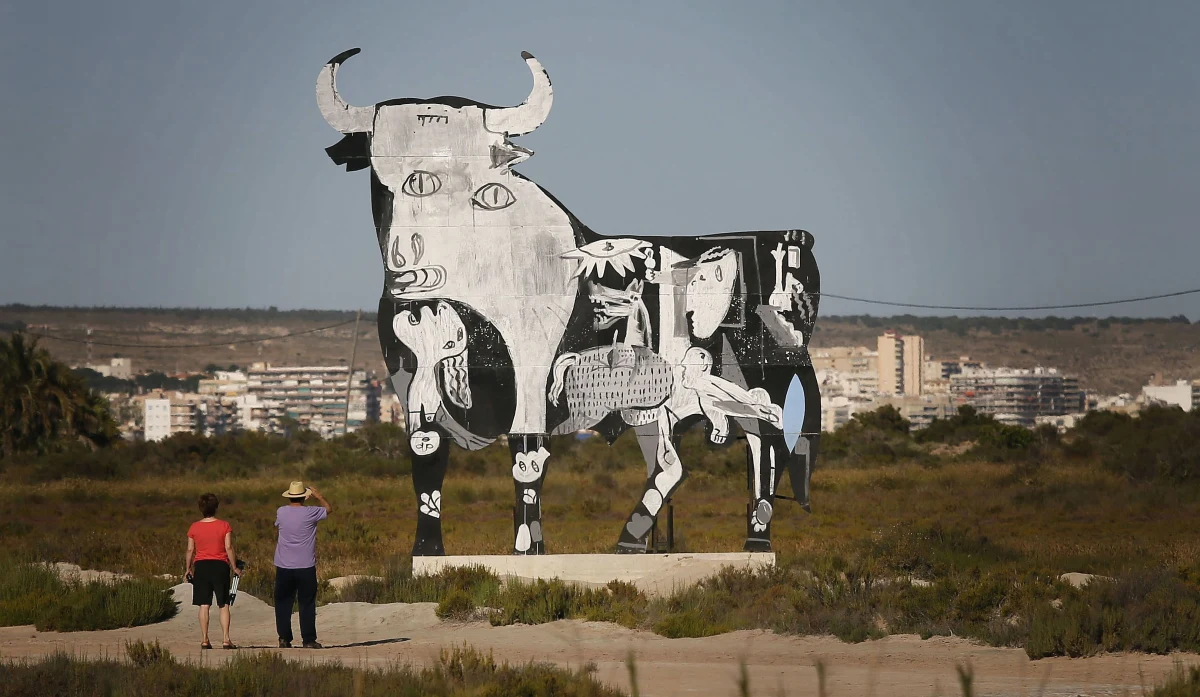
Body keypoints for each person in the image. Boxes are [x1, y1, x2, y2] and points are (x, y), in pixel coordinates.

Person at [274, 481, 331, 649]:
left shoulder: (281, 511)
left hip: (284, 565)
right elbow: (329, 509)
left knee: (283, 602)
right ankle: (308, 639)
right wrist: (319, 496)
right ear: (305, 496)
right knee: (306, 603)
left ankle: (284, 638)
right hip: (305, 565)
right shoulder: (311, 512)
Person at [185, 493, 240, 650]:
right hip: (220, 566)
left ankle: (204, 639)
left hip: (201, 566)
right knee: (223, 604)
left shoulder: (194, 527)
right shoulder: (224, 525)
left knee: (204, 604)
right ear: (216, 507)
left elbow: (190, 549)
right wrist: (234, 566)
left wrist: (188, 568)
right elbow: (228, 547)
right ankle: (225, 639)